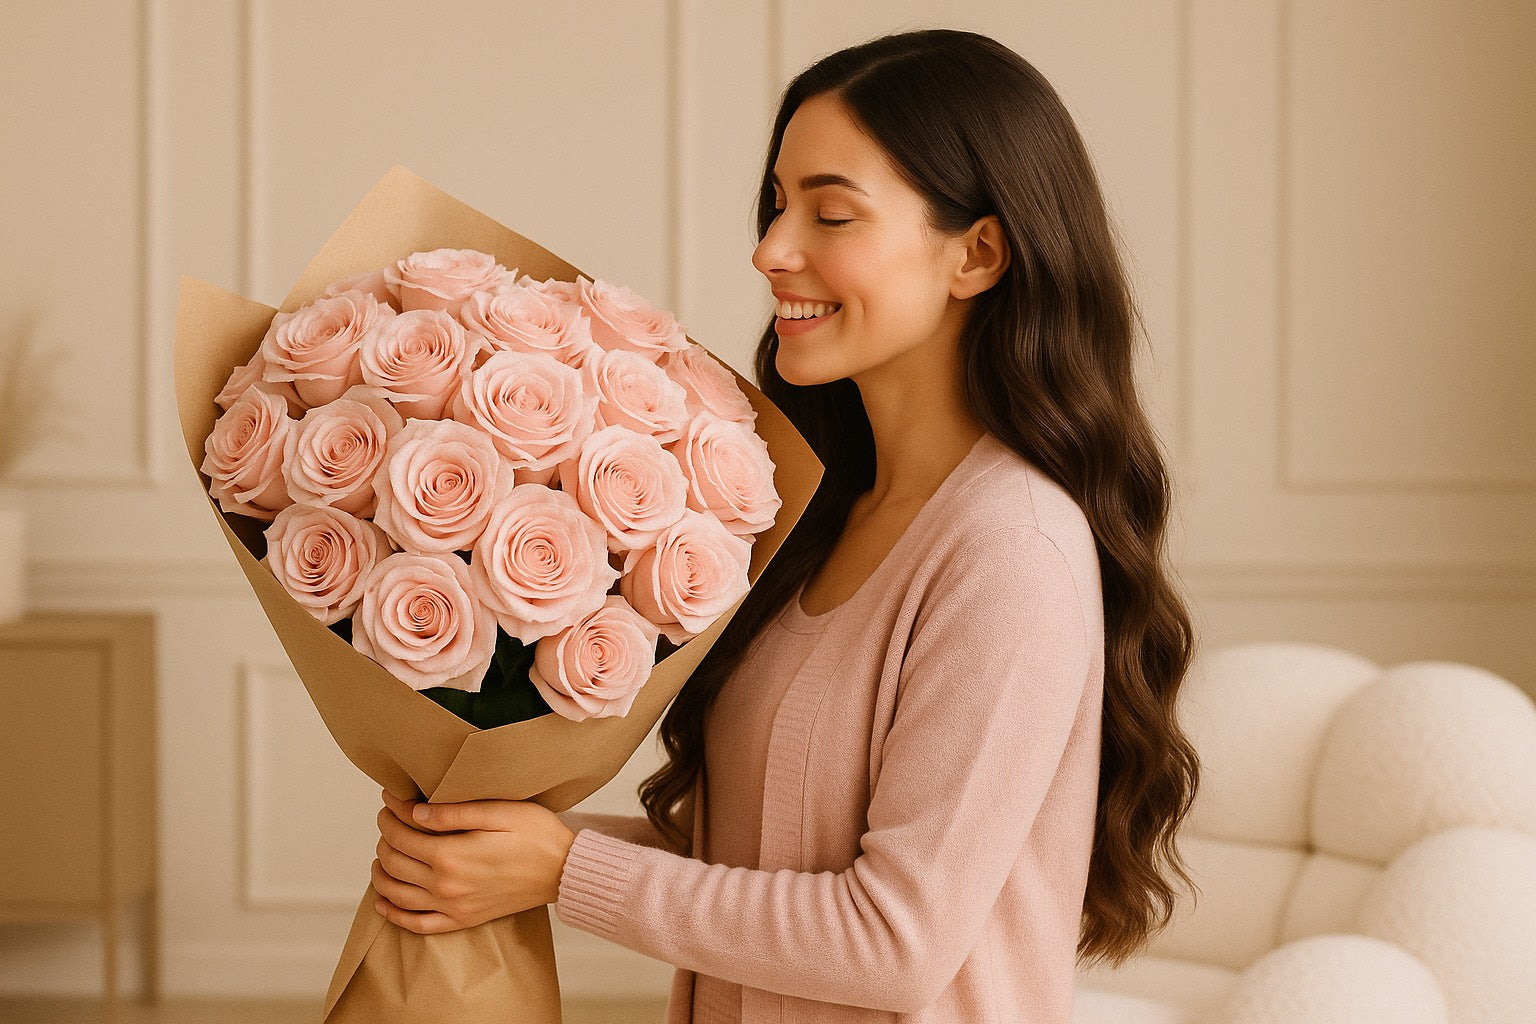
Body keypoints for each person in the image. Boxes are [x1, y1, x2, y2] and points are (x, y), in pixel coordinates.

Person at [371, 28, 1200, 1023]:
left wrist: (564, 870)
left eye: (831, 212)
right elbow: (768, 863)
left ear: (978, 253)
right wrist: (500, 845)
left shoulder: (1010, 548)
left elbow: (891, 941)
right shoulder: (819, 514)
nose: (771, 250)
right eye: (776, 202)